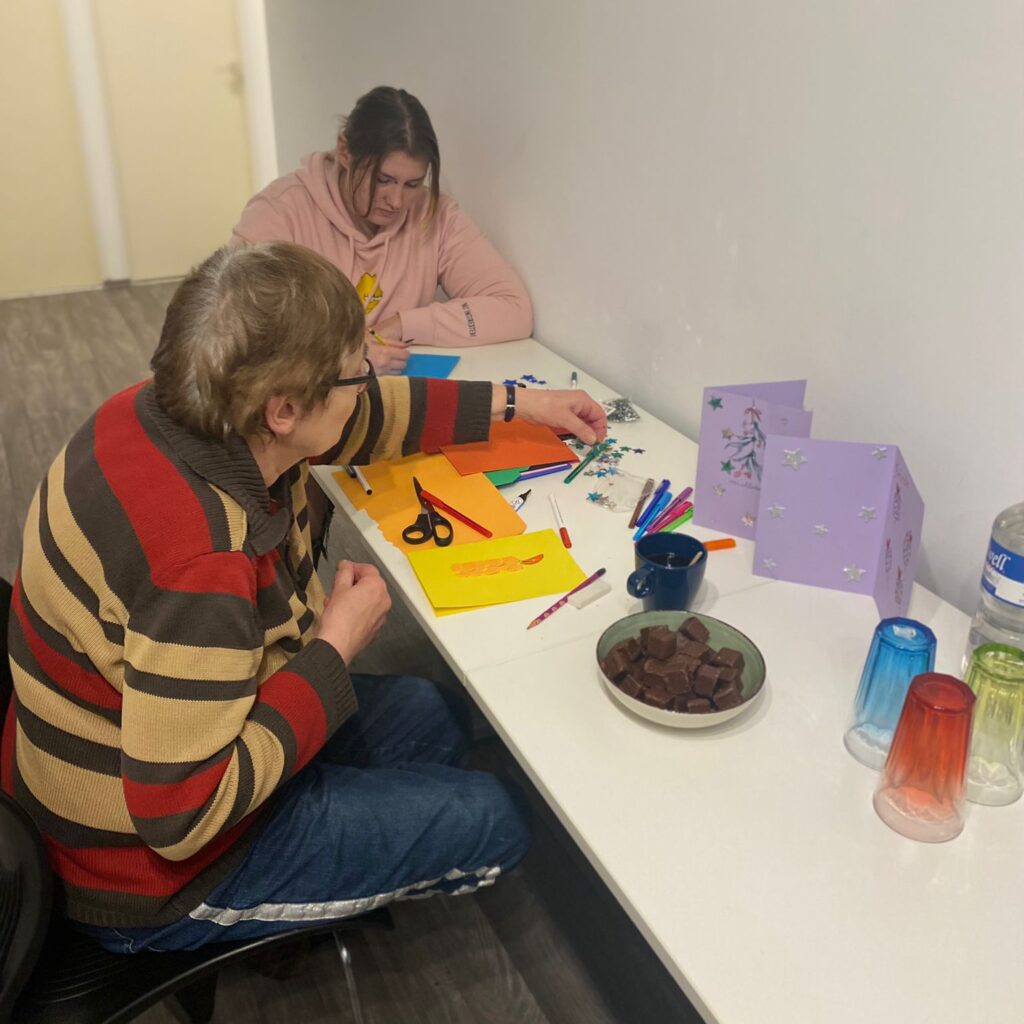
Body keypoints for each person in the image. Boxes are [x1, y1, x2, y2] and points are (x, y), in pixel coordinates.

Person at [1, 242, 606, 952]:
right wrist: (333, 649)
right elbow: (181, 817)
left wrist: (520, 404)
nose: (368, 382)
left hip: (140, 742)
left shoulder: (179, 409)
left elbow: (369, 415)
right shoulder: (202, 559)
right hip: (148, 870)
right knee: (502, 818)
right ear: (284, 410)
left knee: (436, 717)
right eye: (355, 372)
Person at [232, 85, 533, 376]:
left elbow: (513, 309)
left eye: (412, 184)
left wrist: (400, 325)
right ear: (344, 152)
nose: (397, 201)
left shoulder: (434, 215)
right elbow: (237, 331)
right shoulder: (278, 212)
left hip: (392, 404)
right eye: (383, 179)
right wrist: (346, 356)